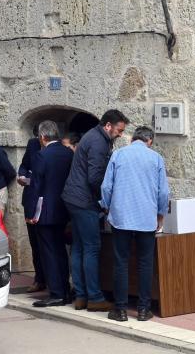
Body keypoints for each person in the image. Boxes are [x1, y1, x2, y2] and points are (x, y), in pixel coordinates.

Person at [61, 109, 129, 312]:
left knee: (80, 247)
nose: (120, 134)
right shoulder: (99, 142)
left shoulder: (92, 136)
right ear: (108, 125)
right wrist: (105, 200)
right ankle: (95, 297)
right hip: (84, 201)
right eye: (119, 130)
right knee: (91, 247)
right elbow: (95, 178)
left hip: (72, 198)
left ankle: (81, 296)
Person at [100, 126, 169, 322]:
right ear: (150, 141)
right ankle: (143, 309)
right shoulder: (156, 158)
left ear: (132, 139)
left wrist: (106, 206)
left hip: (121, 218)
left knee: (120, 262)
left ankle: (120, 310)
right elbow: (163, 192)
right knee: (145, 263)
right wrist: (160, 214)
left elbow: (106, 186)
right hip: (146, 218)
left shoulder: (119, 155)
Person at [28, 121, 74, 308]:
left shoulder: (42, 155)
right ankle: (64, 289)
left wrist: (31, 213)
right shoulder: (68, 153)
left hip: (46, 211)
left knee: (49, 252)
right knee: (60, 251)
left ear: (42, 137)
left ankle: (56, 293)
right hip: (64, 209)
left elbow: (36, 186)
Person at [17, 133, 45, 293]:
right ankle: (39, 279)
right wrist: (22, 175)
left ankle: (50, 278)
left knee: (48, 245)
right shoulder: (32, 144)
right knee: (35, 244)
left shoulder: (56, 149)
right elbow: (24, 165)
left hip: (47, 204)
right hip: (31, 201)